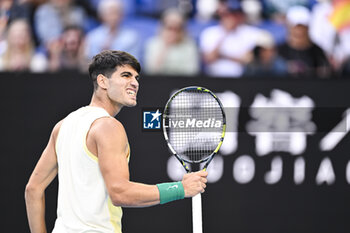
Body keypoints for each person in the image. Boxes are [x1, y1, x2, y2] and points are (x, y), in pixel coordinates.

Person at [25, 50, 208, 233]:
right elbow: (120, 193)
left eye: (136, 78)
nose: (135, 83)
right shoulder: (108, 127)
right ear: (102, 81)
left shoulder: (62, 126)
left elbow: (33, 189)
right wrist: (180, 188)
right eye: (125, 75)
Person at [199, 0, 264, 78]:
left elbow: (248, 60)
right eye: (228, 15)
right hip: (213, 77)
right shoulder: (210, 32)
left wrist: (222, 56)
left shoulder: (250, 33)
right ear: (222, 15)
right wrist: (225, 33)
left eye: (236, 15)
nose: (232, 18)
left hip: (241, 78)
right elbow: (209, 58)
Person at [278, 5, 331, 78]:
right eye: (296, 27)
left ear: (308, 28)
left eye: (303, 27)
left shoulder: (318, 52)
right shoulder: (279, 51)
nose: (299, 31)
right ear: (288, 27)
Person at [143, 8, 200, 76]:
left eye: (177, 29)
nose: (173, 33)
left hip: (183, 83)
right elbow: (151, 71)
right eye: (169, 28)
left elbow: (192, 71)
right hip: (159, 83)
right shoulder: (152, 43)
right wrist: (165, 47)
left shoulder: (190, 45)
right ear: (162, 27)